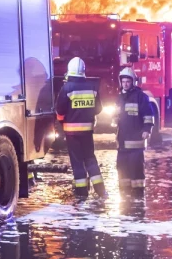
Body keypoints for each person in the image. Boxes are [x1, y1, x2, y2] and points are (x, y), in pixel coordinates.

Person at [55, 57, 104, 197]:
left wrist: (61, 122)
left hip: (71, 133)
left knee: (77, 162)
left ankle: (82, 194)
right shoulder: (92, 87)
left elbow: (60, 111)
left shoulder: (67, 88)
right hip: (87, 131)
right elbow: (98, 109)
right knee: (90, 159)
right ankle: (101, 191)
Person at [114, 67, 155, 190]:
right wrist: (114, 121)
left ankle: (138, 198)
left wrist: (147, 130)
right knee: (122, 170)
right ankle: (125, 197)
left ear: (133, 82)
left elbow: (148, 116)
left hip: (136, 142)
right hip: (122, 143)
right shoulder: (119, 97)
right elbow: (116, 114)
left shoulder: (141, 97)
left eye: (128, 81)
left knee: (136, 171)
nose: (125, 84)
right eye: (123, 82)